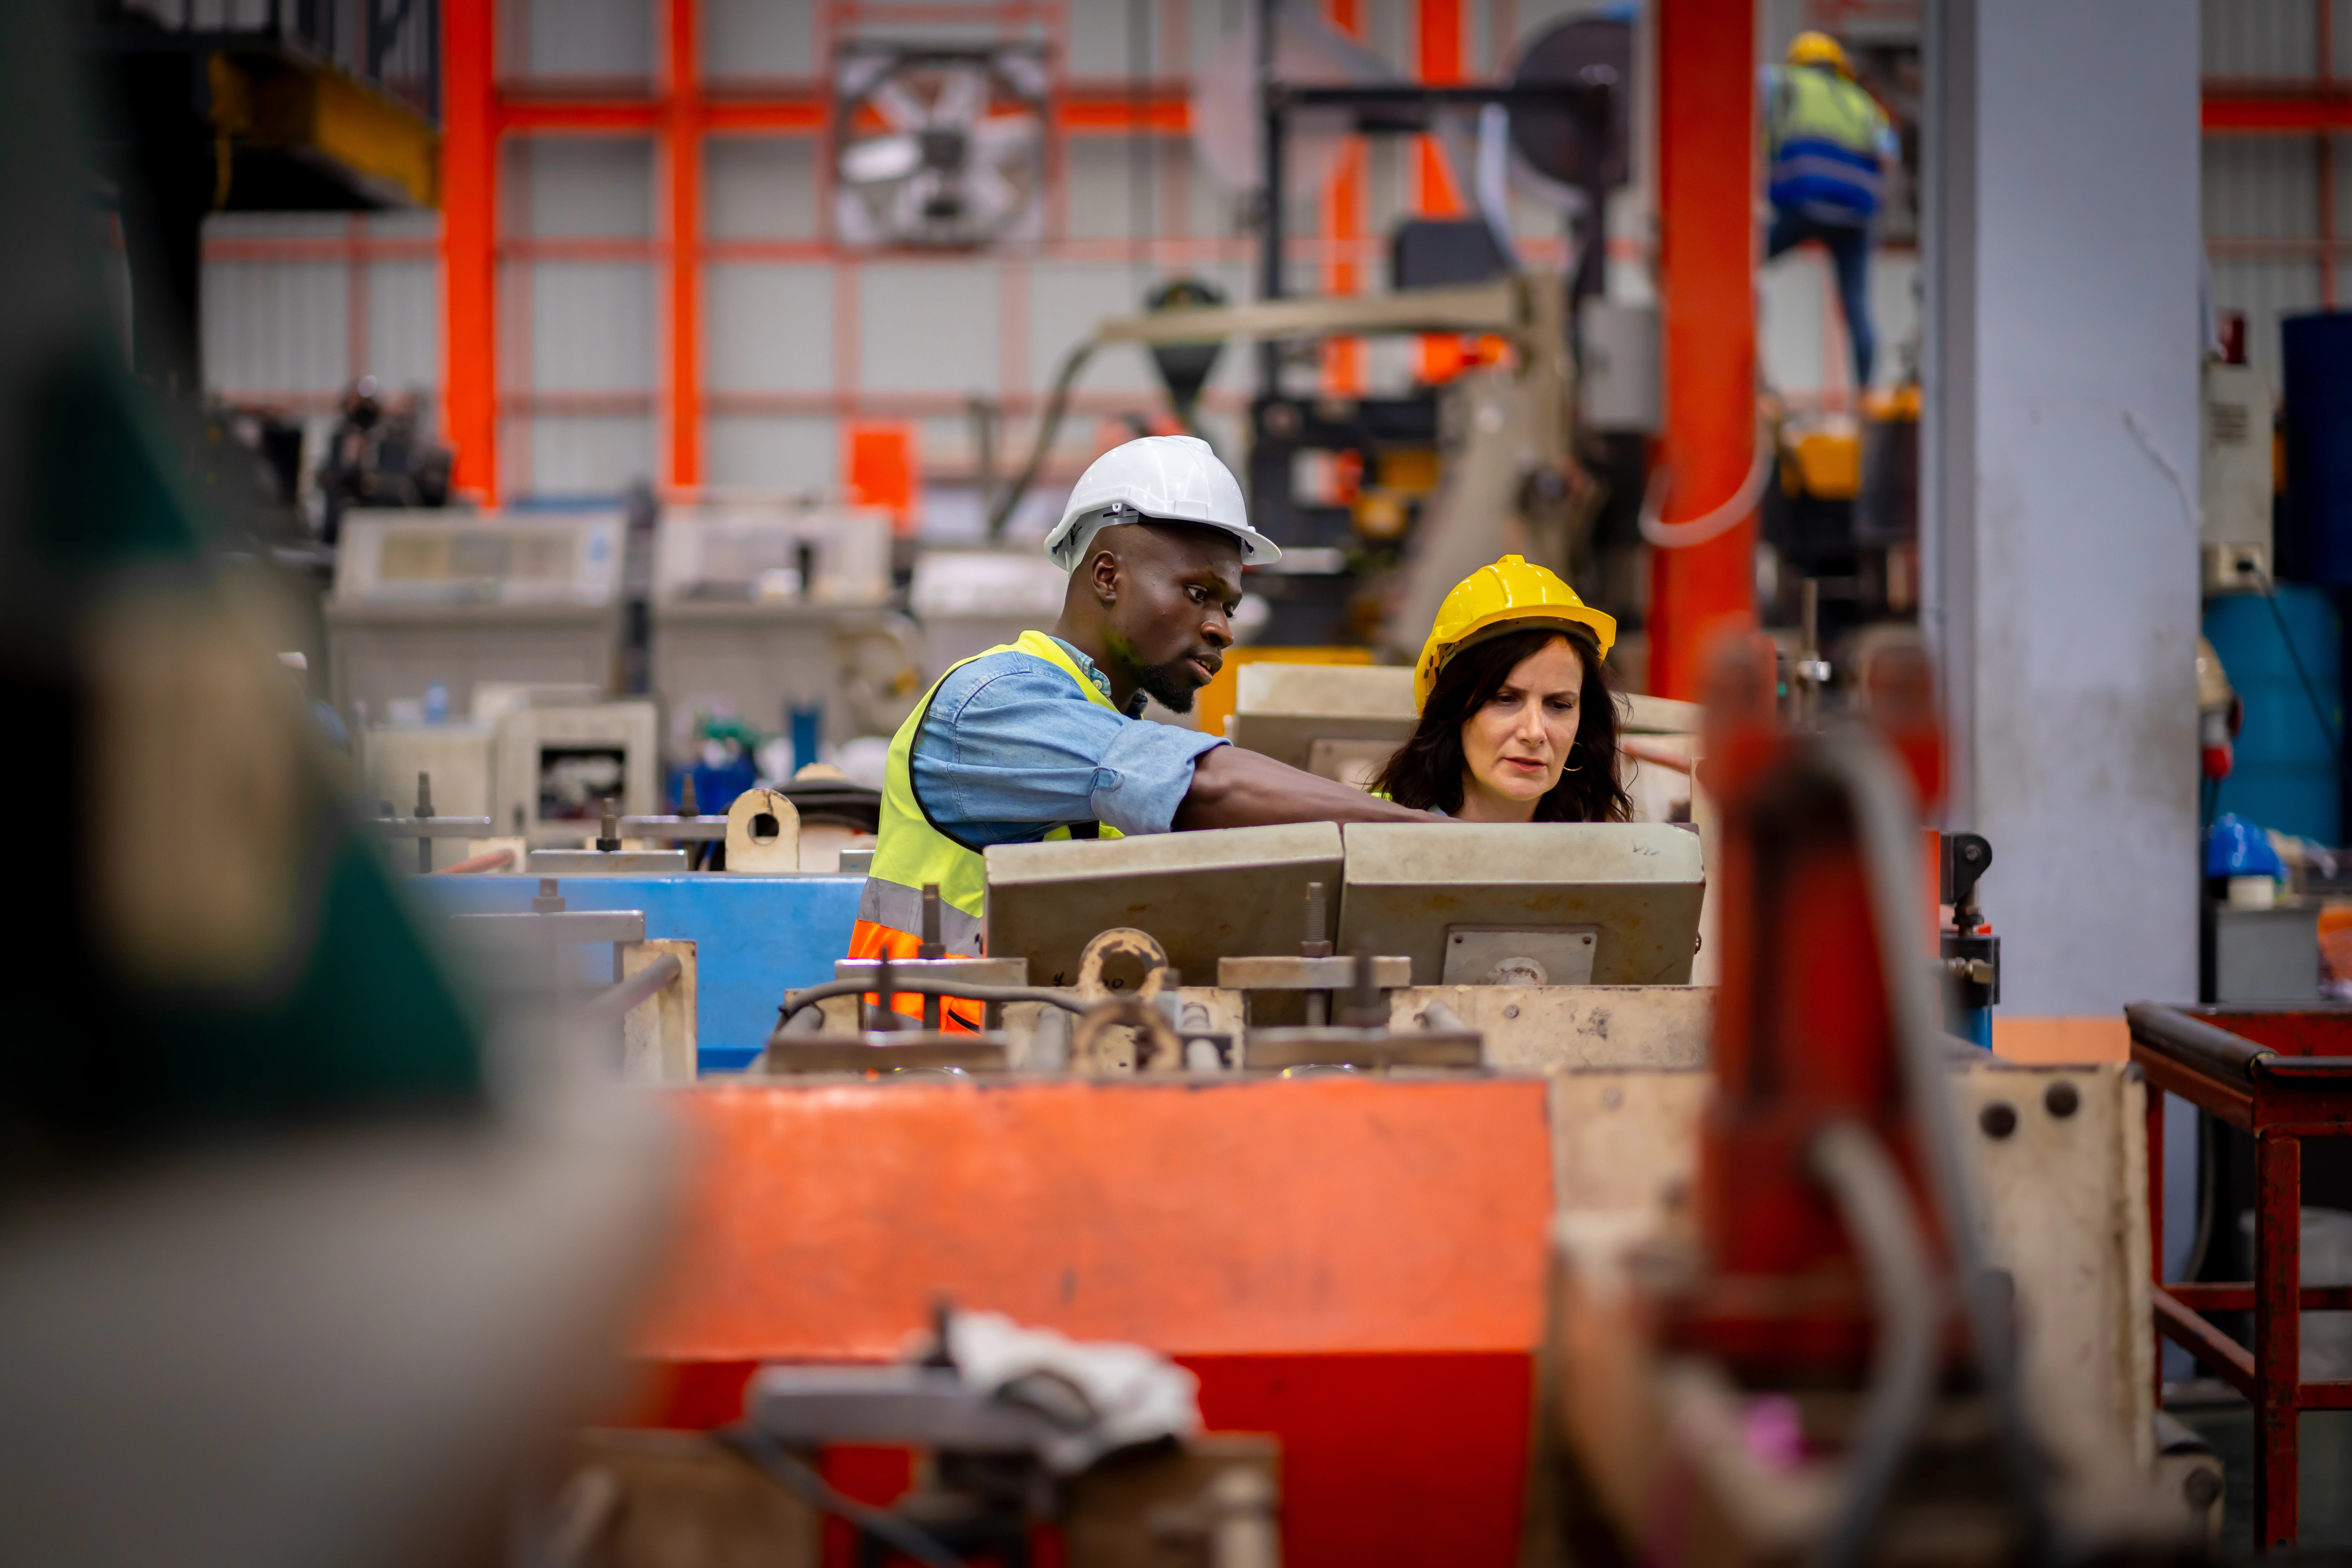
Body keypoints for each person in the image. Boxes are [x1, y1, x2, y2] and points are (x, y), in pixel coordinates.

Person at [850, 434, 1433, 1025]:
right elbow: (1204, 783)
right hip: (920, 1078)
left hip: (1016, 1078)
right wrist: (1432, 834)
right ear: (1107, 576)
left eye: (1226, 607)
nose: (1220, 630)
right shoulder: (989, 703)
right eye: (1197, 593)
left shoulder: (1099, 725)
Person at [1373, 555, 1630, 824]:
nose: (1534, 733)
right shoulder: (1373, 836)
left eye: (1559, 705)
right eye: (1505, 699)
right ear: (1451, 707)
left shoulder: (1601, 849)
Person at [1763, 30, 1898, 389]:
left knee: (1742, 268)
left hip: (1805, 200)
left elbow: (1744, 96)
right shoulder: (1865, 104)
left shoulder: (1783, 83)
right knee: (1857, 306)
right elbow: (1889, 155)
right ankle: (1865, 396)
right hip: (1857, 212)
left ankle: (1752, 369)